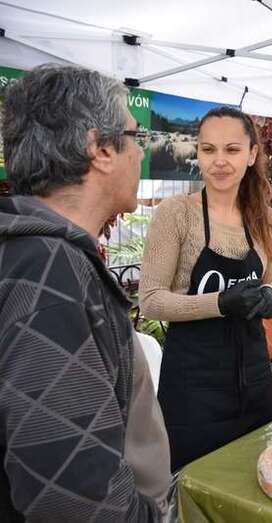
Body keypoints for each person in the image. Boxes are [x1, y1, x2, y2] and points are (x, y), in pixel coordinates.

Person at [0, 64, 171, 521]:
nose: (142, 153)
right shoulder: (48, 270)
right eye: (136, 137)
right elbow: (72, 496)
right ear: (98, 149)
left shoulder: (35, 253)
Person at [139, 107, 272, 471]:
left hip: (254, 378)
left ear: (251, 155)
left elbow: (271, 282)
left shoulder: (268, 220)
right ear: (197, 153)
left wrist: (271, 298)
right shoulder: (176, 214)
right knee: (193, 484)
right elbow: (151, 300)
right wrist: (219, 302)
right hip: (193, 386)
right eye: (208, 149)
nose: (219, 161)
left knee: (252, 477)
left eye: (232, 150)